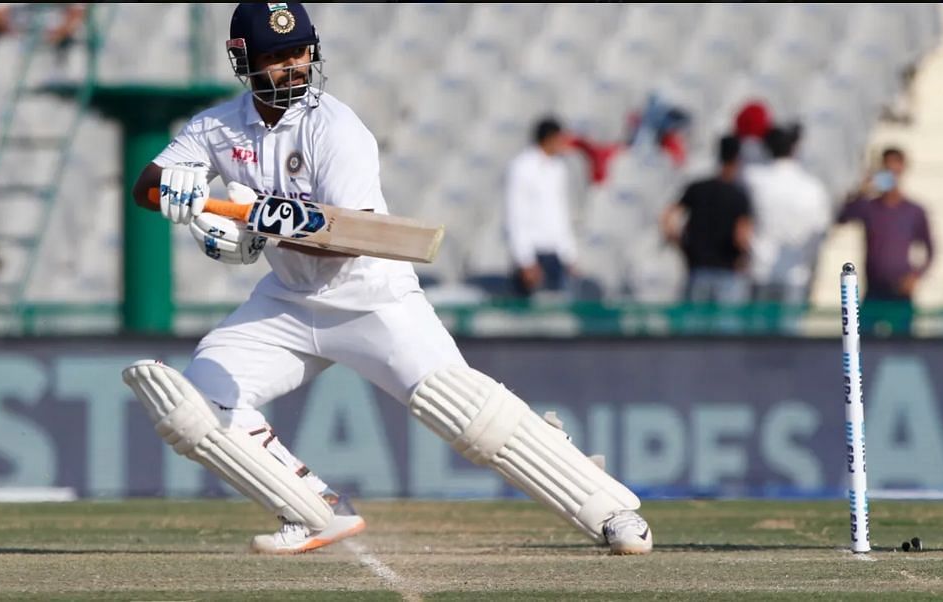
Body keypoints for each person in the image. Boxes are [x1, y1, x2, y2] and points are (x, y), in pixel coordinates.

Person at [122, 3, 652, 556]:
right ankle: (314, 509)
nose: (293, 67)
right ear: (243, 60)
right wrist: (177, 196)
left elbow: (349, 235)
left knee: (463, 413)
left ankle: (607, 508)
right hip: (288, 301)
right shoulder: (216, 127)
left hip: (371, 293)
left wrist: (256, 222)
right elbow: (148, 184)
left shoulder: (336, 127)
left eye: (300, 53)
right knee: (199, 403)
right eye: (276, 57)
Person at [837, 147, 933, 336]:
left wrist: (915, 276)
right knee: (864, 344)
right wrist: (861, 191)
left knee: (903, 347)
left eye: (895, 168)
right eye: (886, 169)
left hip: (900, 291)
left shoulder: (913, 211)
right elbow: (842, 217)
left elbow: (930, 249)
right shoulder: (870, 207)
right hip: (874, 289)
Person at [742, 125, 830, 320]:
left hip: (760, 271)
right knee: (789, 346)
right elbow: (819, 235)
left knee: (755, 342)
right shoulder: (812, 188)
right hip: (795, 274)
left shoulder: (752, 179)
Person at [660, 135, 753, 306]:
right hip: (726, 273)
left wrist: (679, 243)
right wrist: (745, 257)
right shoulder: (739, 195)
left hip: (698, 269)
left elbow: (668, 216)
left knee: (694, 328)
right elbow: (741, 236)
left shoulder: (698, 188)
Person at [503, 117, 580, 299]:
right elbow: (516, 215)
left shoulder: (558, 168)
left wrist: (569, 254)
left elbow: (560, 214)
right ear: (549, 138)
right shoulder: (522, 167)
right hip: (534, 255)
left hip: (556, 256)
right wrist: (525, 260)